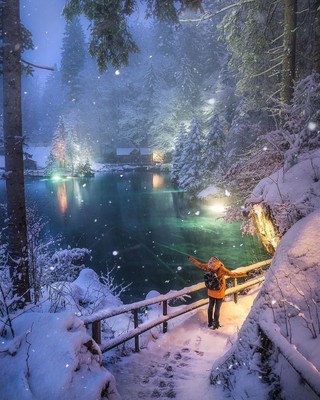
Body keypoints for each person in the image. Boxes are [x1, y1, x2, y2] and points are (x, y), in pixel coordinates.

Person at [188, 255, 247, 329]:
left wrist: (191, 259)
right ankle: (216, 324)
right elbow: (232, 274)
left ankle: (210, 323)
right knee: (217, 308)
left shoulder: (208, 266)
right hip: (219, 292)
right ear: (218, 261)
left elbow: (199, 265)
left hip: (211, 291)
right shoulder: (221, 268)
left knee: (210, 307)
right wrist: (244, 274)